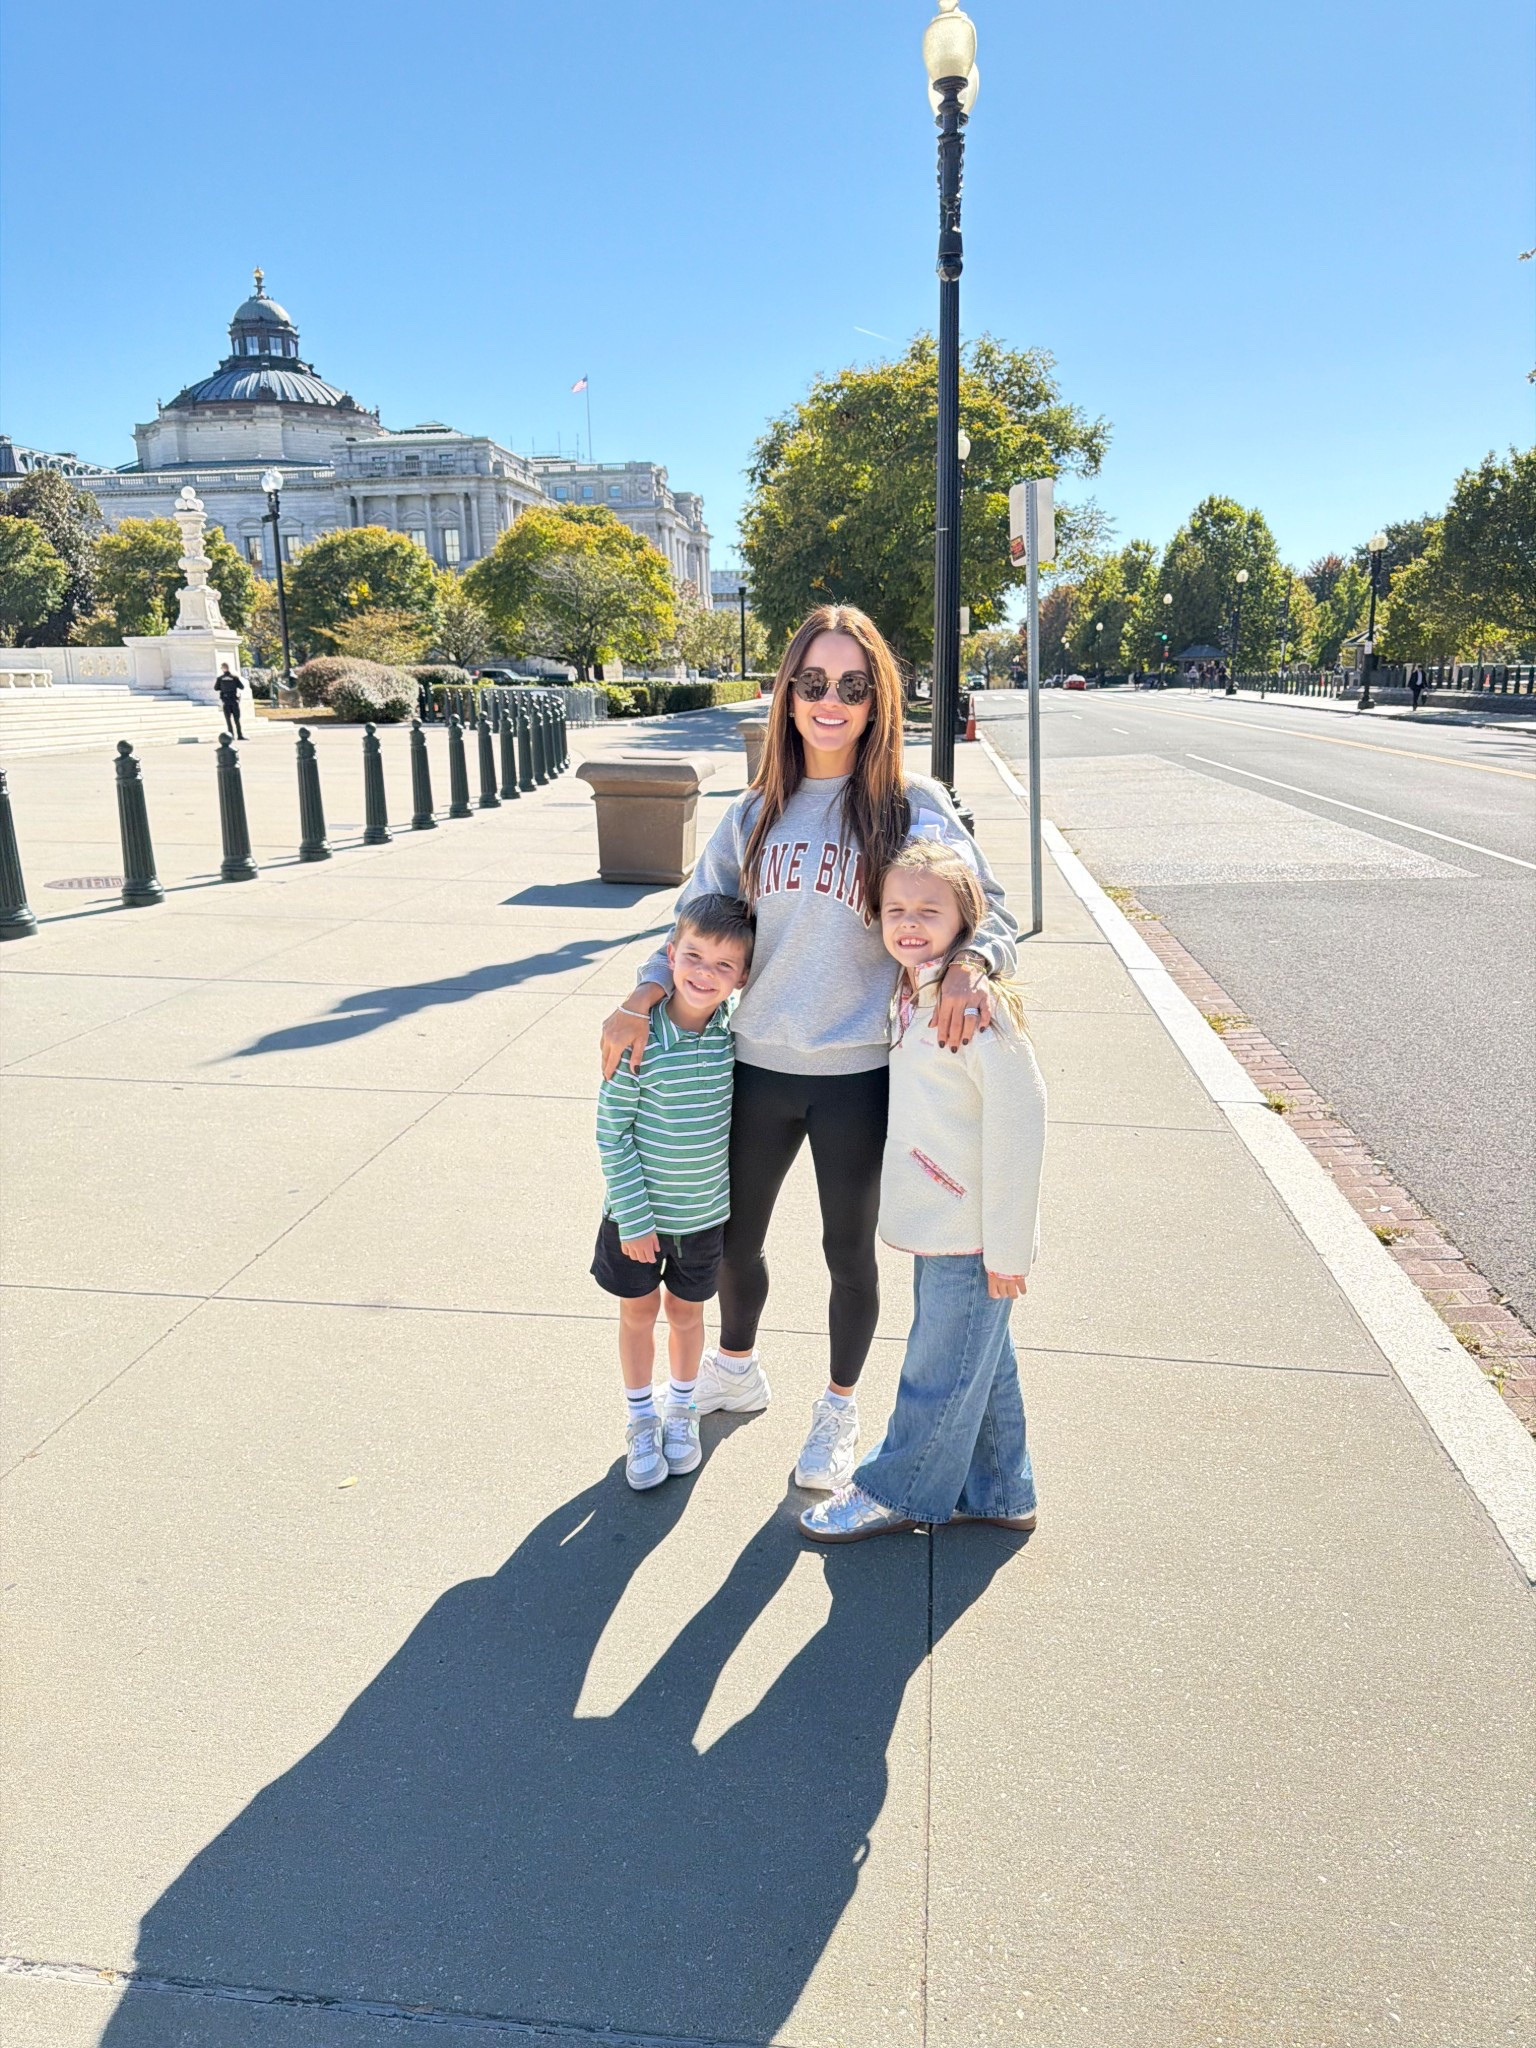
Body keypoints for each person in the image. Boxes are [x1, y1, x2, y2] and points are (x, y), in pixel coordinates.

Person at [599, 604, 1017, 1492]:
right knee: (732, 1240)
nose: (832, 701)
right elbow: (689, 924)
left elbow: (992, 910)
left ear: (877, 701)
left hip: (858, 1073)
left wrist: (969, 966)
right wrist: (640, 995)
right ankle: (736, 1370)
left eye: (853, 687)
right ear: (787, 695)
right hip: (753, 1066)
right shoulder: (754, 812)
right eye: (814, 683)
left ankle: (837, 1409)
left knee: (846, 1253)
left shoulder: (912, 806)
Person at [800, 840, 1046, 1542]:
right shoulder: (914, 991)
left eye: (929, 911)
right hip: (942, 1215)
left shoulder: (972, 1007)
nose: (909, 923)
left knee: (937, 1368)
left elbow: (1021, 1125)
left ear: (965, 921)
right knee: (979, 1359)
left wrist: (1009, 1251)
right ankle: (1001, 1492)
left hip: (971, 1229)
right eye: (896, 910)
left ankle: (897, 1490)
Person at [593, 895, 755, 1491]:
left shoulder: (732, 1033)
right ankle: (641, 1419)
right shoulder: (638, 1039)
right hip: (636, 1219)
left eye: (724, 965)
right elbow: (613, 1134)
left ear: (742, 977)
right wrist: (635, 1220)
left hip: (703, 1217)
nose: (705, 974)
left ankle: (681, 1411)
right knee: (638, 1315)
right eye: (693, 957)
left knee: (688, 1316)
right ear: (669, 956)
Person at [215, 663, 245, 739]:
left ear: (223, 669)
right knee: (237, 719)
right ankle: (240, 735)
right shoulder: (234, 678)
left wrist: (223, 688)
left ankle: (231, 735)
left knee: (228, 720)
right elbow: (242, 687)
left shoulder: (220, 678)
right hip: (234, 700)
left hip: (226, 700)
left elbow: (216, 688)